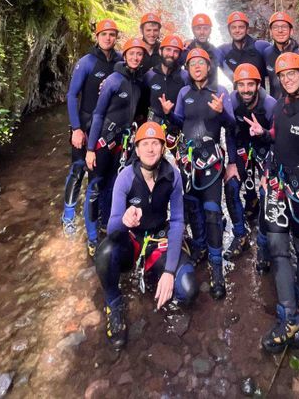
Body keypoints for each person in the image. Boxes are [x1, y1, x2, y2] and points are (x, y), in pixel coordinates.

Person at [247, 52, 299, 353]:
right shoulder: (280, 106)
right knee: (279, 249)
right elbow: (278, 136)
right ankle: (289, 318)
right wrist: (263, 133)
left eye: (293, 74)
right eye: (282, 75)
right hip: (277, 184)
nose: (287, 78)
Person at [94, 121, 198, 349]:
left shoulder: (173, 176)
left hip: (159, 239)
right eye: (145, 144)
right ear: (137, 149)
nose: (150, 149)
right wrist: (124, 221)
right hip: (131, 240)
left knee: (188, 290)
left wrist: (170, 272)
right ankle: (114, 303)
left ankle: (157, 273)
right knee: (104, 252)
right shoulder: (125, 177)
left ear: (163, 148)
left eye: (155, 144)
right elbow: (112, 228)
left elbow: (179, 220)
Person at [172, 47, 236, 299]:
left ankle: (216, 266)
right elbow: (180, 122)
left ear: (209, 67)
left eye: (201, 63)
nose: (197, 67)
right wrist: (168, 113)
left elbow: (231, 126)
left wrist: (222, 112)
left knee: (212, 211)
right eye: (192, 64)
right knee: (192, 207)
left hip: (211, 161)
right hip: (188, 160)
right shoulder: (183, 93)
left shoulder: (220, 92)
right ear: (188, 69)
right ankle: (199, 247)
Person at [83, 37, 147, 256]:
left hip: (122, 143)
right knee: (94, 187)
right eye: (132, 54)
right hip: (102, 141)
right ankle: (92, 238)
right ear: (125, 55)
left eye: (139, 54)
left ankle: (106, 227)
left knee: (112, 186)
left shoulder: (138, 82)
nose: (136, 57)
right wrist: (90, 148)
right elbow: (99, 114)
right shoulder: (113, 80)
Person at [62, 19, 120, 236]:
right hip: (85, 124)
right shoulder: (86, 62)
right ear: (97, 36)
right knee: (78, 169)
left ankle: (100, 218)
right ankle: (68, 215)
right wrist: (76, 128)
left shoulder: (120, 61)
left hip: (106, 127)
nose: (108, 38)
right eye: (104, 34)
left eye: (112, 34)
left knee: (101, 175)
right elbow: (71, 95)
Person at [225, 63, 275, 265]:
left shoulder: (270, 104)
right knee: (232, 185)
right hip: (242, 143)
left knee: (267, 192)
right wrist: (231, 163)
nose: (246, 90)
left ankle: (264, 244)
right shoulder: (232, 101)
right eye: (241, 85)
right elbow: (229, 131)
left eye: (250, 85)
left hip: (265, 144)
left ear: (258, 85)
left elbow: (277, 139)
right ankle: (240, 235)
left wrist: (269, 171)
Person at [142, 33, 188, 149]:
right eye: (168, 50)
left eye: (176, 51)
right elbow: (141, 103)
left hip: (177, 129)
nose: (171, 54)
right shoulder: (150, 75)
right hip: (153, 127)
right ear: (161, 51)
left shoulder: (185, 77)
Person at [218, 11, 268, 86]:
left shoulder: (260, 47)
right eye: (233, 27)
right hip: (237, 96)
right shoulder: (224, 50)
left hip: (260, 96)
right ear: (229, 30)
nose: (237, 30)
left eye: (241, 27)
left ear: (247, 29)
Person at [263, 11, 299, 99]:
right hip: (276, 106)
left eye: (284, 27)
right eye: (275, 27)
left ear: (291, 31)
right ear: (270, 32)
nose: (280, 31)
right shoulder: (266, 53)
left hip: (298, 106)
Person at [181, 13, 223, 84]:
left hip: (210, 92)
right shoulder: (185, 49)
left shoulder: (215, 52)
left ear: (210, 31)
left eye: (205, 29)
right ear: (193, 31)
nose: (202, 32)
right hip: (189, 91)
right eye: (198, 28)